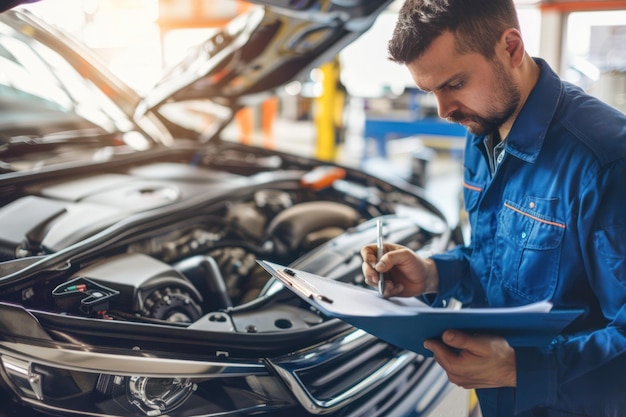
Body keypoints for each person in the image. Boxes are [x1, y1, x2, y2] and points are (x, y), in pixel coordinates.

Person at [360, 1, 626, 416]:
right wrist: (431, 273)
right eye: (431, 92)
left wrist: (523, 367)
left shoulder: (606, 160)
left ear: (512, 48)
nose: (444, 111)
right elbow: (497, 261)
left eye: (455, 83)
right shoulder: (483, 129)